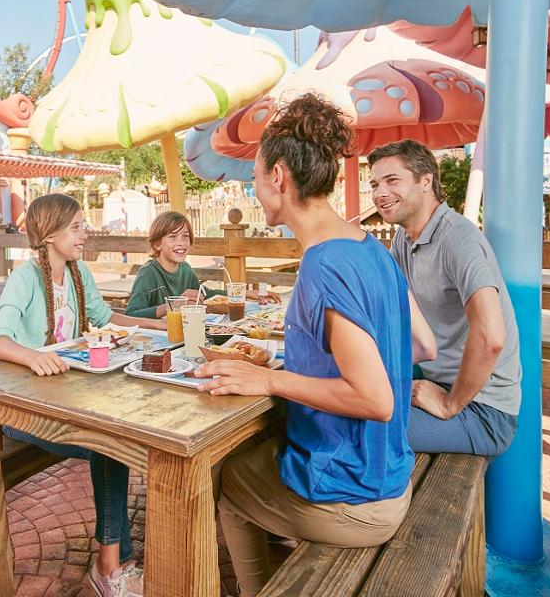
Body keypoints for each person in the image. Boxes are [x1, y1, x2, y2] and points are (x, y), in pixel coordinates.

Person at [194, 94, 436, 596]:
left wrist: (270, 380)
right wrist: (336, 363)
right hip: (389, 469)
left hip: (355, 496)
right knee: (260, 448)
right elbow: (422, 344)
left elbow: (375, 399)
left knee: (225, 481)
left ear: (279, 177)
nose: (254, 189)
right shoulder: (372, 247)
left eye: (255, 178)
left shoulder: (323, 265)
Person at [0, 193, 166, 597]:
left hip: (63, 399)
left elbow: (106, 319)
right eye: (76, 227)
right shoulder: (25, 279)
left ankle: (114, 561)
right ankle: (111, 566)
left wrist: (159, 326)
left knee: (115, 439)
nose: (85, 234)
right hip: (19, 408)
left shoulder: (78, 272)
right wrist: (33, 356)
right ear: (50, 234)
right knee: (109, 445)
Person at [368, 140, 520, 456]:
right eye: (375, 184)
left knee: (357, 429)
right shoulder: (404, 239)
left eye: (392, 180)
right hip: (435, 379)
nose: (380, 193)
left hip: (480, 408)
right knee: (339, 397)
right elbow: (386, 305)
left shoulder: (458, 238)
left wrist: (449, 403)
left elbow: (491, 337)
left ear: (426, 181)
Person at [124, 211, 280, 319]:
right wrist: (172, 306)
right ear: (157, 244)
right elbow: (130, 314)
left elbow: (207, 294)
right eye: (172, 237)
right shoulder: (148, 274)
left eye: (185, 236)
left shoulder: (185, 269)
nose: (181, 243)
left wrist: (248, 293)